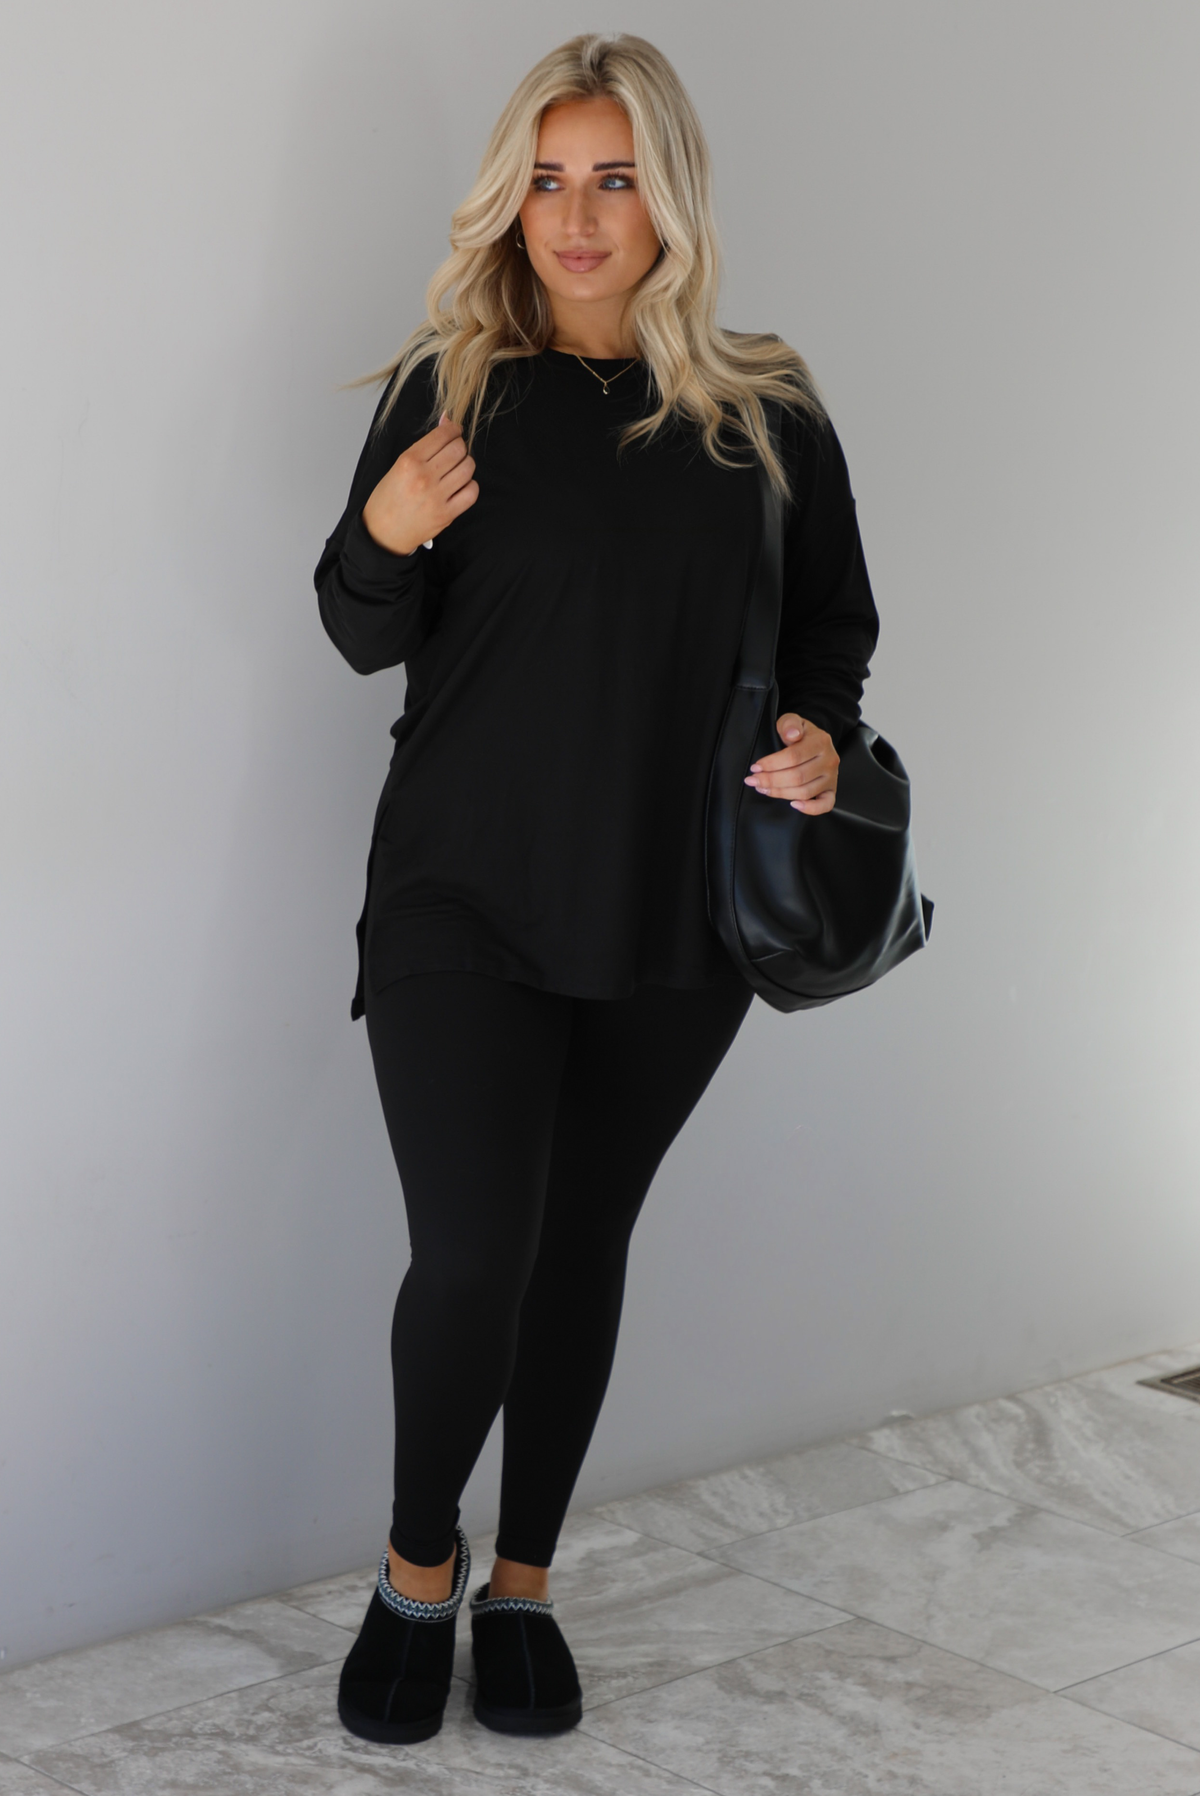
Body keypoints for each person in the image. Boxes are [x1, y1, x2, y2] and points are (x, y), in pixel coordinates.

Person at [313, 30, 879, 1747]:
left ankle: (525, 1584)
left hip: (673, 903)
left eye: (614, 179)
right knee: (474, 1251)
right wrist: (386, 529)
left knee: (578, 1248)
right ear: (512, 200)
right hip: (462, 894)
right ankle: (418, 1566)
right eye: (548, 180)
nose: (575, 216)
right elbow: (356, 631)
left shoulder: (767, 408)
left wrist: (821, 740)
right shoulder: (455, 386)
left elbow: (833, 631)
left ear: (669, 201)